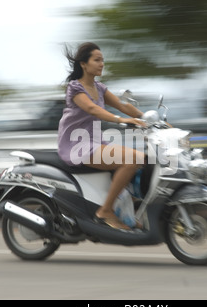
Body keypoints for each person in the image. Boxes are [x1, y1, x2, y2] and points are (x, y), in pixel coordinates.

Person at [58, 42, 146, 231]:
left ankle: (125, 213)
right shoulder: (75, 88)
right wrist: (122, 120)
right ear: (84, 64)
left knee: (143, 158)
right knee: (131, 159)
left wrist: (148, 120)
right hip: (77, 145)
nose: (101, 64)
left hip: (96, 142)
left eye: (103, 60)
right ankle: (105, 211)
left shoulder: (99, 88)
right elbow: (92, 109)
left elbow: (123, 106)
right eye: (97, 60)